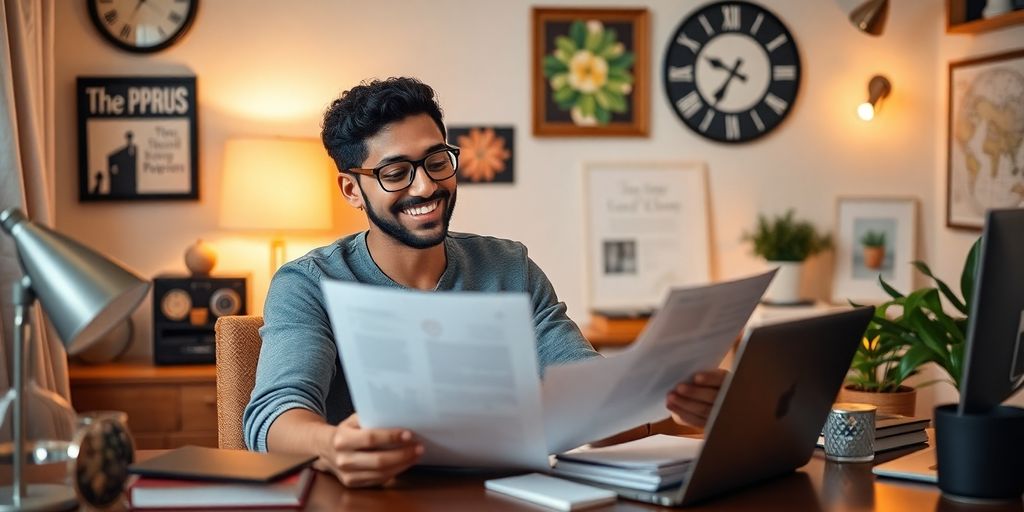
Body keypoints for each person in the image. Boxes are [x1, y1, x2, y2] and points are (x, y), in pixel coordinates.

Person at [242, 77, 728, 488]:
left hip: (508, 495)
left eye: (437, 161)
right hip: (374, 497)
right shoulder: (310, 282)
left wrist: (669, 402)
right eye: (395, 172)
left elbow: (583, 387)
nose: (425, 186)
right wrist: (330, 444)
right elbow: (275, 414)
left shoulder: (508, 267)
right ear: (352, 188)